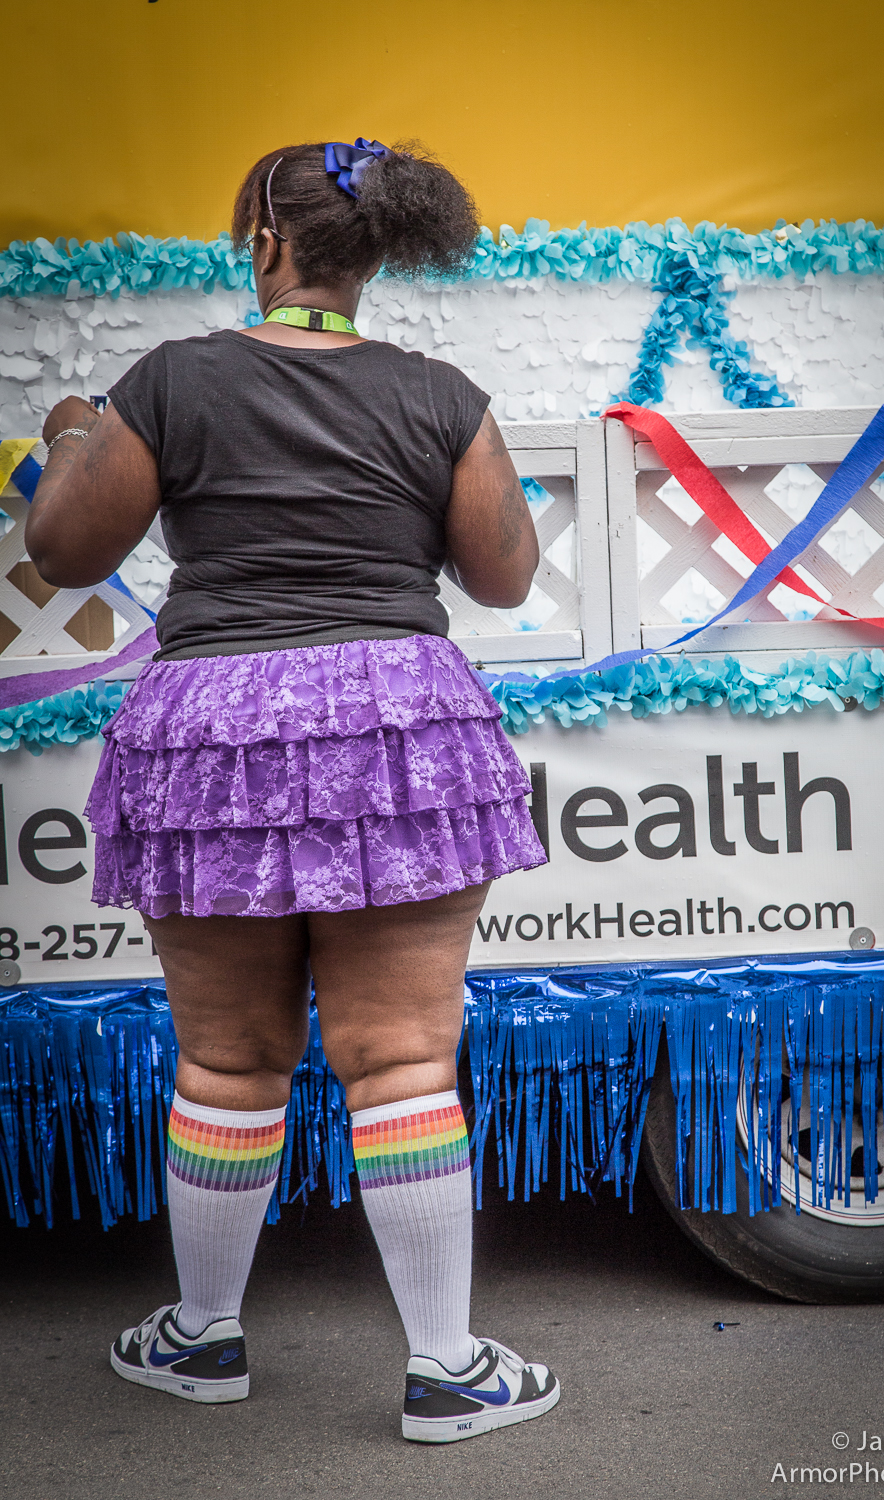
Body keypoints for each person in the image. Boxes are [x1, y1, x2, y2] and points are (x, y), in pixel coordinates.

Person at [27, 138, 558, 1444]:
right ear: (375, 257)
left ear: (265, 242)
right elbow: (503, 576)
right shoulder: (441, 397)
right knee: (402, 1058)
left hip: (215, 726)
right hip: (396, 727)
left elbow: (62, 550)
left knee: (225, 1056)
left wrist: (77, 436)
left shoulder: (173, 381)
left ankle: (201, 1339)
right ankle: (447, 1367)